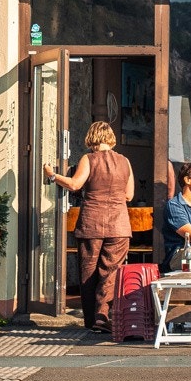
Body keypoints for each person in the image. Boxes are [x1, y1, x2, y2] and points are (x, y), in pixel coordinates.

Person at [44, 121, 133, 335]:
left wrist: (52, 175)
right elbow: (129, 195)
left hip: (92, 221)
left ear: (91, 137)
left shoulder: (89, 159)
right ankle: (104, 317)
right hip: (119, 224)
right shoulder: (125, 161)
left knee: (89, 271)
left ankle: (93, 320)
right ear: (110, 138)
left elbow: (75, 184)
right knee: (110, 272)